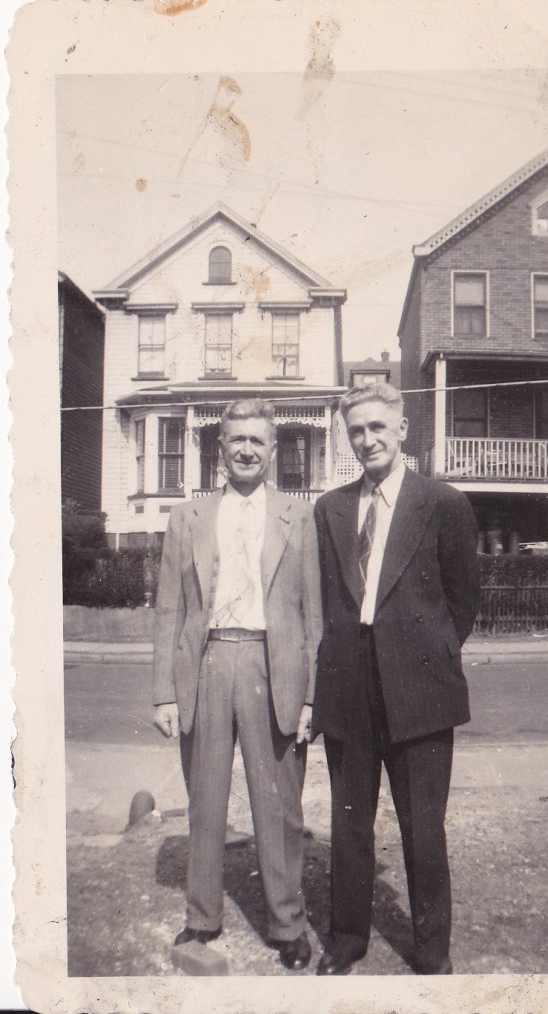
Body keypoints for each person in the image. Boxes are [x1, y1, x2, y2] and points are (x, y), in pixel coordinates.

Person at [312, 382, 480, 976]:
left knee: (423, 828)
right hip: (348, 691)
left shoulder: (444, 503)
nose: (367, 440)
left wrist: (421, 657)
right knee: (350, 822)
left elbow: (463, 602)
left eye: (378, 427)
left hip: (420, 692)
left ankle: (433, 949)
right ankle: (348, 938)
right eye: (356, 430)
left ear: (402, 430)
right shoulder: (329, 508)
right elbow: (331, 601)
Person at [153, 398, 322, 971]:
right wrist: (164, 692)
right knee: (205, 802)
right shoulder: (188, 518)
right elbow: (168, 611)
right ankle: (201, 918)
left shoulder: (299, 516)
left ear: (273, 450)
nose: (247, 450)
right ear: (219, 447)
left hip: (272, 667)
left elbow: (312, 616)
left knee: (279, 807)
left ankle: (287, 922)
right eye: (236, 441)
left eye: (258, 441)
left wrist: (309, 697)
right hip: (206, 665)